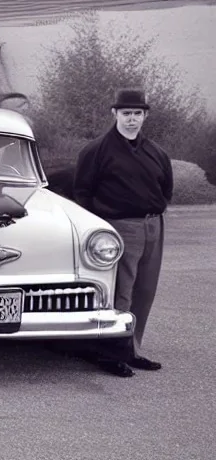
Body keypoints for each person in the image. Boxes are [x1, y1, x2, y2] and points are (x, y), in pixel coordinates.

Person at [73, 89, 173, 377]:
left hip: (153, 225)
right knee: (120, 291)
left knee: (144, 290)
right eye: (126, 113)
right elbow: (83, 192)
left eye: (137, 114)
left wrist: (152, 216)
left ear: (145, 116)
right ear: (114, 113)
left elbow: (166, 190)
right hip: (119, 227)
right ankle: (110, 353)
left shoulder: (156, 152)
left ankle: (132, 349)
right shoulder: (96, 150)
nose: (132, 119)